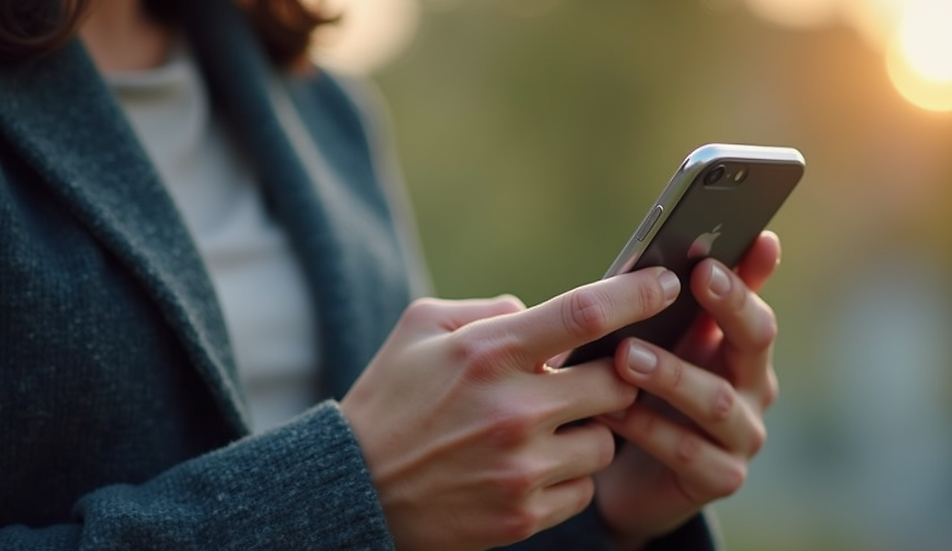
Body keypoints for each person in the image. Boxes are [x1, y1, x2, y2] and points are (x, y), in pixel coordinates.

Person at [0, 0, 780, 550]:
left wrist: (599, 507)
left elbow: (422, 522)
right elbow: (381, 501)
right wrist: (344, 492)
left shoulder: (322, 110)